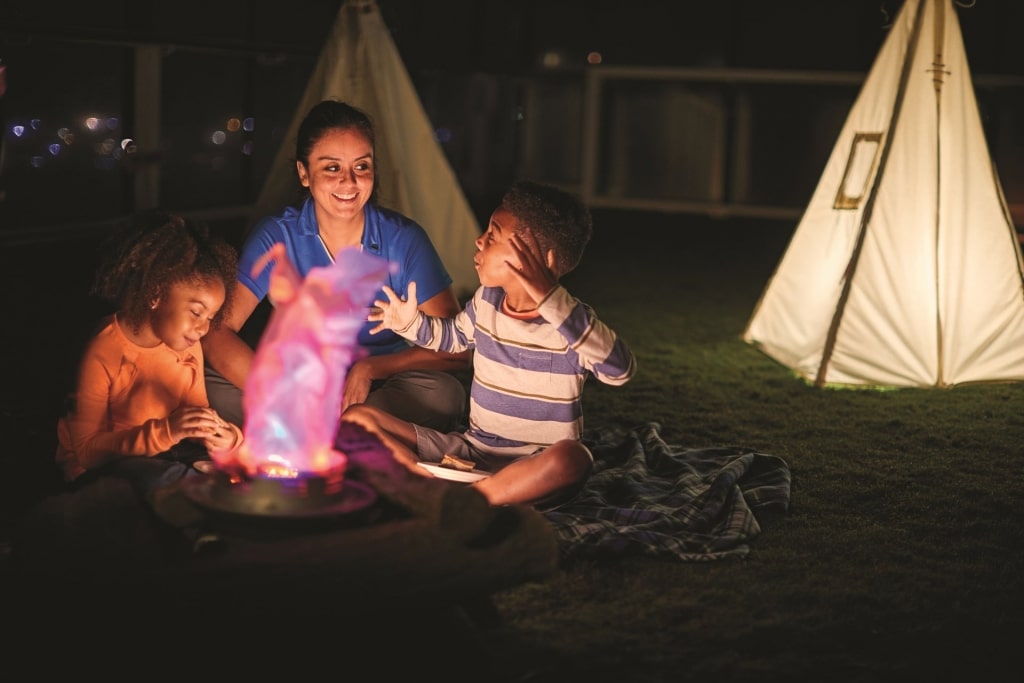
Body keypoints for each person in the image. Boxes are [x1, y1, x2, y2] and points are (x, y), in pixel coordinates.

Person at [341, 180, 637, 507]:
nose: (479, 241)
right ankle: (426, 485)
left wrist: (553, 301)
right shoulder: (487, 301)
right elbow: (453, 338)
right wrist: (410, 324)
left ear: (543, 260)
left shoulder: (573, 324)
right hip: (473, 452)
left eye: (493, 235)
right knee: (357, 419)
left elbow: (619, 371)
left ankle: (465, 502)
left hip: (533, 465)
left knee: (574, 459)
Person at [202, 99, 470, 431]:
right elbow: (218, 332)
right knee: (207, 380)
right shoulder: (278, 236)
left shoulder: (404, 239)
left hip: (380, 387)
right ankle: (351, 433)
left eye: (362, 166)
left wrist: (372, 368)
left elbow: (458, 350)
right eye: (332, 168)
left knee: (443, 395)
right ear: (304, 172)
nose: (349, 182)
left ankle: (334, 429)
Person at [56, 211, 244, 499]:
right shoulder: (103, 350)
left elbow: (196, 416)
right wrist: (167, 431)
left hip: (167, 450)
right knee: (174, 485)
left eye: (211, 317)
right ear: (156, 294)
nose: (203, 328)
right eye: (196, 312)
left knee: (235, 474)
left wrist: (225, 437)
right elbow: (87, 452)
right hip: (105, 464)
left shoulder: (187, 346)